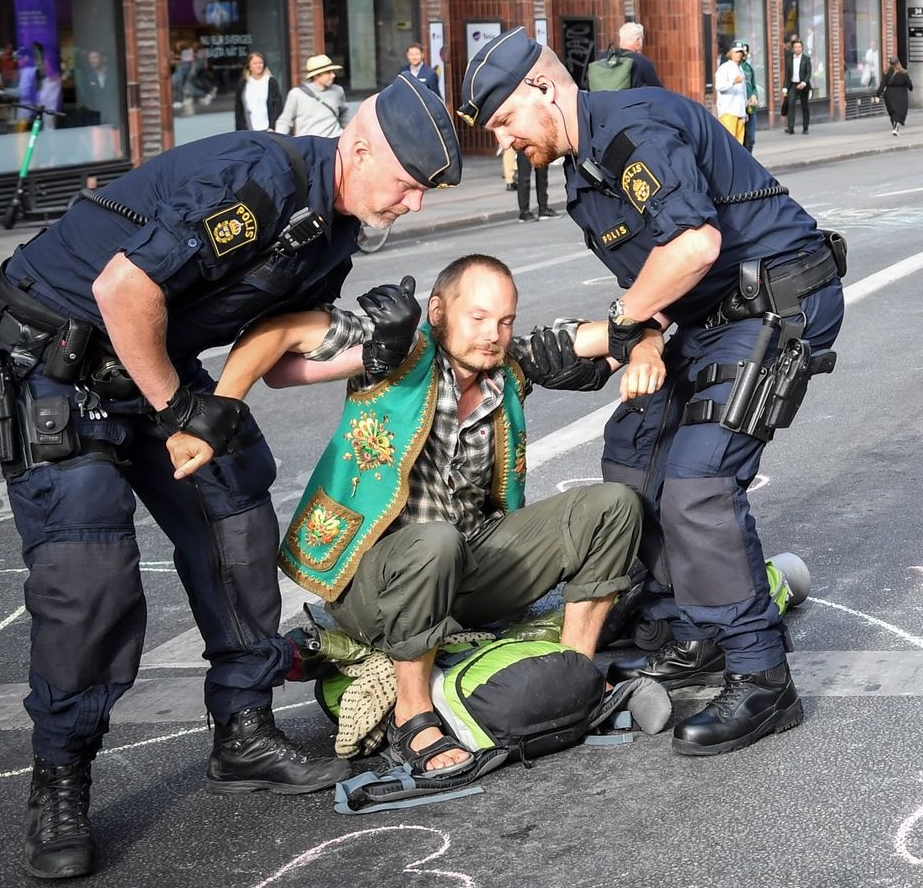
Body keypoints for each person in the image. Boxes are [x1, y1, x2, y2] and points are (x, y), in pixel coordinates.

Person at [0, 74, 462, 879]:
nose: (411, 205)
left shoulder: (332, 229)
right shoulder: (256, 181)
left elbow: (272, 364)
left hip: (145, 366)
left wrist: (369, 346)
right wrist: (178, 412)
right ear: (360, 146)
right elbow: (122, 291)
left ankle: (243, 733)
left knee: (237, 516)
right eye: (407, 185)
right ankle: (61, 779)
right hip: (49, 361)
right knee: (90, 576)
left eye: (422, 193)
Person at [459, 27, 845, 755]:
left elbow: (694, 244)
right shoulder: (581, 182)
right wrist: (635, 341)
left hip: (777, 302)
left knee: (697, 478)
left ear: (544, 89)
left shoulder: (630, 130)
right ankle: (686, 628)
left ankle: (764, 680)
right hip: (706, 315)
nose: (506, 142)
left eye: (506, 121)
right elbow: (649, 288)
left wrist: (614, 326)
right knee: (633, 449)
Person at [197, 255, 642, 787]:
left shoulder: (506, 366)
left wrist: (648, 340)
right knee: (434, 541)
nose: (491, 334)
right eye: (477, 318)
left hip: (467, 566)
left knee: (612, 505)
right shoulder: (396, 348)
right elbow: (281, 332)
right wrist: (217, 414)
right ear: (437, 310)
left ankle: (573, 678)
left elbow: (603, 335)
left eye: (504, 321)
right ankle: (413, 717)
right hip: (376, 583)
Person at [277, 54, 348, 137]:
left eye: (333, 72)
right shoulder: (296, 94)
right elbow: (285, 121)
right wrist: (278, 143)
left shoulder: (338, 91)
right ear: (316, 75)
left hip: (334, 142)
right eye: (328, 72)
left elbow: (345, 116)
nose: (333, 75)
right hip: (308, 144)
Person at [713, 40, 750, 144]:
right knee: (729, 143)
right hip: (728, 111)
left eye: (740, 52)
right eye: (736, 52)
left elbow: (743, 92)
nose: (739, 55)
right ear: (731, 53)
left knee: (739, 144)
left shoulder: (741, 69)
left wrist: (745, 109)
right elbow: (719, 86)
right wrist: (733, 82)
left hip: (740, 112)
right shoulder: (724, 68)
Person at [234, 50, 278, 132]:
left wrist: (273, 126)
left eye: (260, 63)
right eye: (255, 63)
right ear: (249, 66)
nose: (258, 65)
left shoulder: (271, 82)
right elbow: (239, 109)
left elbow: (277, 106)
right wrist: (241, 130)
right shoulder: (243, 84)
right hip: (250, 129)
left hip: (269, 129)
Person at [780, 37, 815, 134]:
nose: (798, 49)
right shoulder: (789, 59)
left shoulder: (806, 59)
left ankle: (805, 128)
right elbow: (787, 74)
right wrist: (785, 87)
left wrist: (804, 82)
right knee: (791, 105)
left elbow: (808, 73)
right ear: (793, 48)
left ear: (802, 48)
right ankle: (790, 128)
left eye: (799, 47)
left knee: (805, 106)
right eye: (796, 47)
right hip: (793, 85)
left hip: (803, 85)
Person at [879, 57, 912, 134]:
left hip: (889, 95)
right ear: (898, 63)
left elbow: (882, 85)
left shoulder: (886, 73)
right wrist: (910, 88)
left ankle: (894, 124)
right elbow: (909, 83)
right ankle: (896, 125)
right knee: (899, 111)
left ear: (890, 64)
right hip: (901, 95)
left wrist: (878, 93)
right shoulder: (903, 73)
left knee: (892, 112)